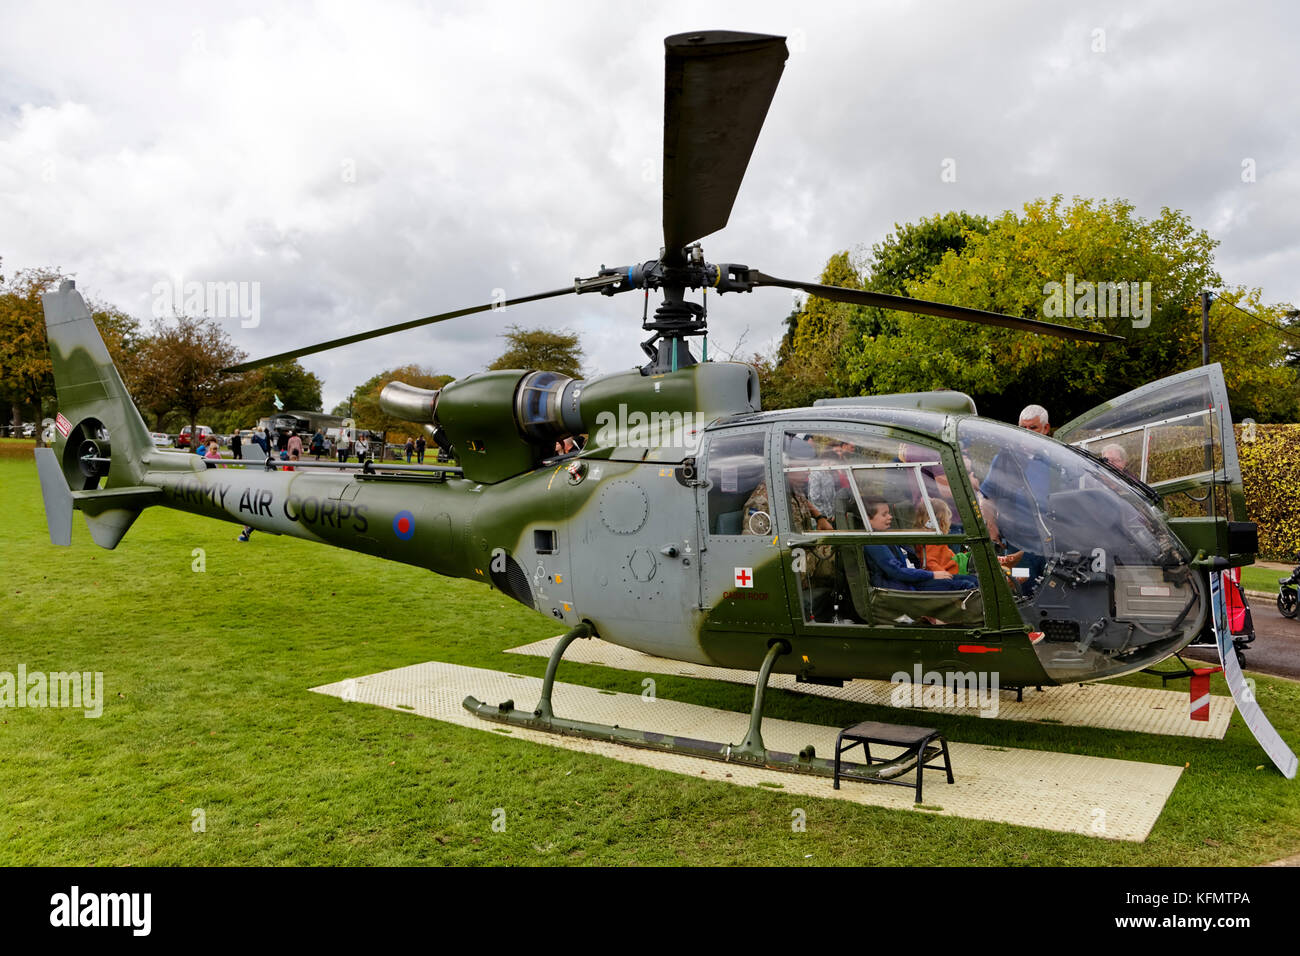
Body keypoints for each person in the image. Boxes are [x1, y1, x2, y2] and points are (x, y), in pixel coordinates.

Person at [862, 500, 978, 590]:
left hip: (914, 578)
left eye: (889, 513)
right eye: (884, 514)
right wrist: (931, 575)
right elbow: (896, 571)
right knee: (965, 585)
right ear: (868, 519)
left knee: (975, 580)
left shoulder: (888, 535)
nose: (890, 517)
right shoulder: (874, 542)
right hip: (904, 584)